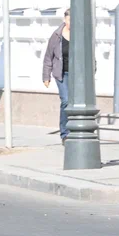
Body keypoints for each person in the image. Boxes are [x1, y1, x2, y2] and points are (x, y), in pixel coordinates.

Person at [42, 8, 71, 142]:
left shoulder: (80, 35)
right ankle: (64, 133)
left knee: (76, 103)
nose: (71, 23)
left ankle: (74, 130)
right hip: (61, 74)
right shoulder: (56, 35)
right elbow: (48, 57)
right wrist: (46, 76)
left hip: (77, 75)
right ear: (65, 19)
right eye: (69, 20)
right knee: (65, 100)